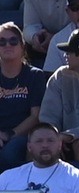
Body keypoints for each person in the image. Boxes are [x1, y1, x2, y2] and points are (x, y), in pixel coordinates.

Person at [0, 21, 47, 169]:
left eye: (13, 41)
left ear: (22, 47)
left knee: (9, 154)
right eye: (2, 42)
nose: (8, 45)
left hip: (22, 135)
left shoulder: (35, 75)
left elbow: (36, 116)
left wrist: (9, 134)